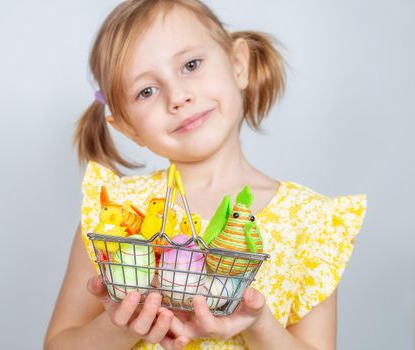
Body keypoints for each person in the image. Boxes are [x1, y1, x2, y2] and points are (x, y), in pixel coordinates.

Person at [44, 0, 367, 349]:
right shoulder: (115, 216)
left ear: (237, 64)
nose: (178, 97)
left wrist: (259, 325)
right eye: (146, 91)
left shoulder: (312, 224)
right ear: (126, 127)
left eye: (191, 65)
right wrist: (120, 326)